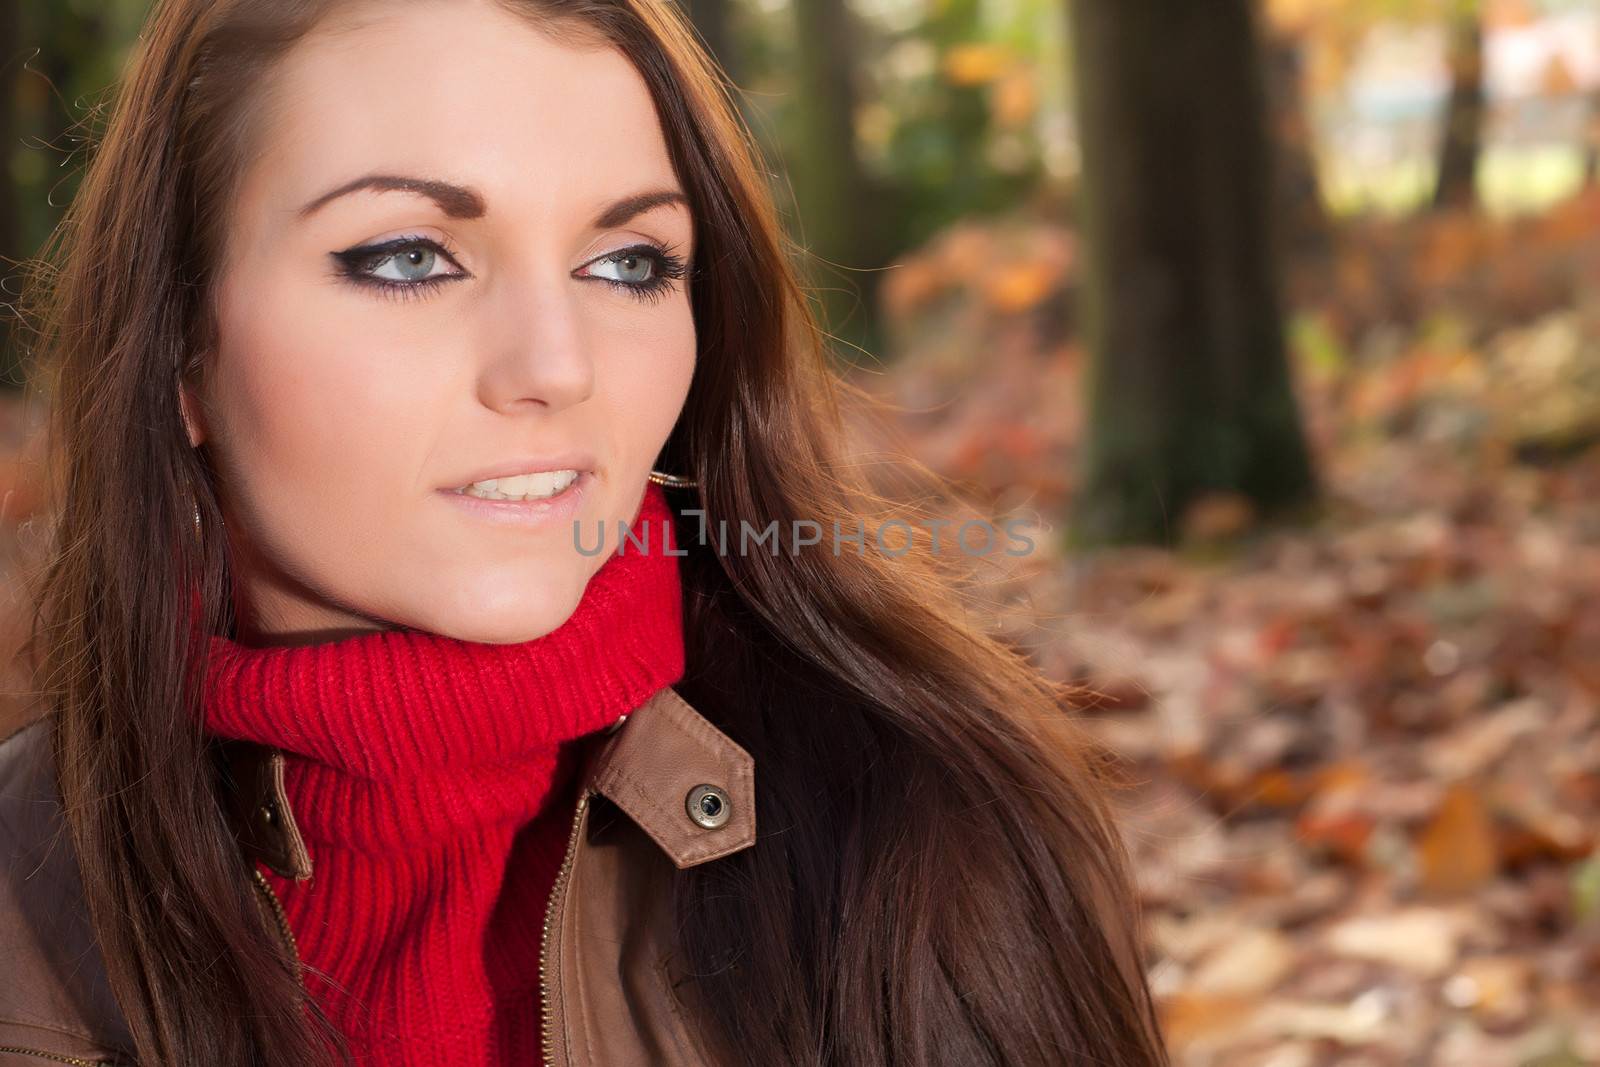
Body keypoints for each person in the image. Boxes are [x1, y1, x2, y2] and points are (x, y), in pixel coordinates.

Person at [0, 0, 1170, 1064]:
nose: (555, 368)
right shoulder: (23, 907)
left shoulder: (946, 825)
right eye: (409, 257)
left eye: (628, 263)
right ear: (179, 354)